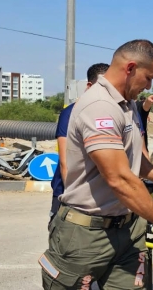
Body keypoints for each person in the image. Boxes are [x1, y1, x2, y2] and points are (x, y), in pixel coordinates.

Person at [40, 39, 153, 289]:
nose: (150, 85)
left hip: (127, 229)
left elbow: (133, 158)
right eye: (149, 77)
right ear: (130, 68)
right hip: (87, 234)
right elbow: (119, 178)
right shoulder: (101, 106)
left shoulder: (127, 103)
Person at [48, 63, 109, 224]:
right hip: (69, 193)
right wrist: (73, 199)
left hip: (96, 196)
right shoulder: (71, 113)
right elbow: (65, 161)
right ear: (89, 86)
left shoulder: (108, 113)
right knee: (61, 244)